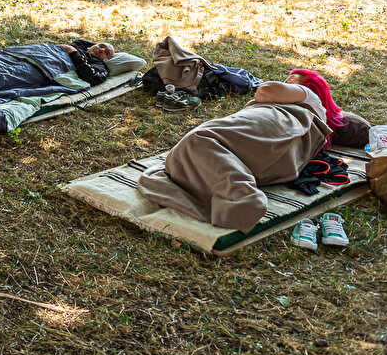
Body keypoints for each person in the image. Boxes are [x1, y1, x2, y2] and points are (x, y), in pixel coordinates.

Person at [138, 69, 342, 233]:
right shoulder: (311, 114)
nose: (285, 84)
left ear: (309, 86)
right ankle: (222, 187)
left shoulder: (309, 97)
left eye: (289, 82)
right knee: (200, 147)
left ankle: (244, 199)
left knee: (201, 141)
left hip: (271, 124)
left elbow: (266, 91)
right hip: (261, 140)